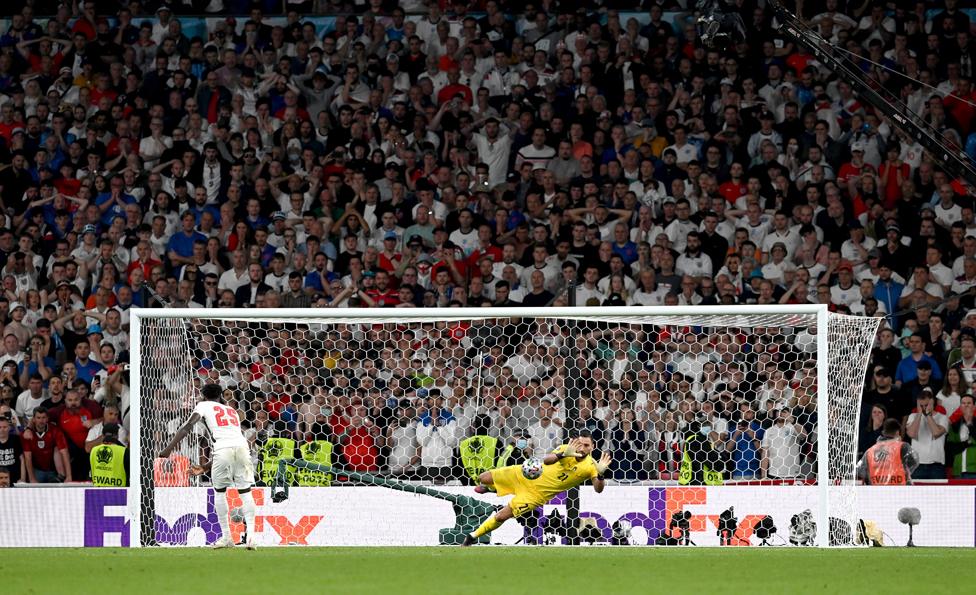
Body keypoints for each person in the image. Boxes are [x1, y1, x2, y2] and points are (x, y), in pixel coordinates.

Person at [462, 431, 611, 546]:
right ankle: (493, 489)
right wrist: (562, 454)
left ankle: (472, 537)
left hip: (536, 495)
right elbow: (547, 461)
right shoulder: (566, 449)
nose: (583, 448)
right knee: (483, 478)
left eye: (587, 445)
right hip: (528, 475)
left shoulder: (592, 466)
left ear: (593, 447)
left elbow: (598, 489)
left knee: (501, 516)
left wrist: (601, 475)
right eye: (580, 444)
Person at [158, 384, 256, 549]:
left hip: (222, 451)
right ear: (220, 395)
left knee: (219, 492)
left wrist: (168, 449)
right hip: (243, 449)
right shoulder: (231, 411)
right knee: (245, 493)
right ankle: (251, 537)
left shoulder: (203, 405)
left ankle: (227, 538)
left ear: (203, 395)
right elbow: (230, 444)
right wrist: (205, 467)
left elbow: (188, 427)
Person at [856, 418, 920, 485]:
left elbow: (860, 470)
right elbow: (914, 462)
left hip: (876, 492)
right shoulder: (903, 446)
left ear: (883, 432)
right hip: (899, 491)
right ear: (897, 432)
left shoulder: (870, 451)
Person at [905, 388, 949, 480]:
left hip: (937, 466)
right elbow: (912, 434)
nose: (924, 408)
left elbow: (936, 433)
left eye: (926, 405)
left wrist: (928, 415)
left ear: (933, 403)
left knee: (939, 494)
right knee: (916, 494)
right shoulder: (912, 417)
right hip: (917, 466)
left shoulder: (943, 418)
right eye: (921, 405)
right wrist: (919, 413)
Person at [89, 423, 129, 487]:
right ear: (117, 435)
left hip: (98, 493)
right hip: (120, 494)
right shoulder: (124, 451)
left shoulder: (94, 450)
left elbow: (91, 474)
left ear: (103, 435)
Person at [947, 394, 976, 478]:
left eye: (969, 403)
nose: (966, 405)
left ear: (974, 406)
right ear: (960, 407)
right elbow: (951, 449)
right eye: (963, 403)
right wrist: (967, 443)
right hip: (958, 471)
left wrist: (969, 423)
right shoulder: (954, 425)